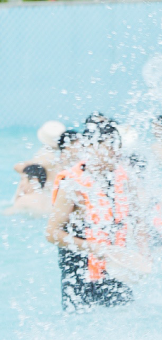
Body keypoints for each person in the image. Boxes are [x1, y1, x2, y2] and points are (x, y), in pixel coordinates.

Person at [46, 122, 138, 312]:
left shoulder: (121, 179)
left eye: (117, 146)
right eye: (109, 146)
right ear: (91, 147)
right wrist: (91, 247)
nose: (115, 152)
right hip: (80, 269)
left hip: (113, 267)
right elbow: (51, 233)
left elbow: (133, 219)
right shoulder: (72, 185)